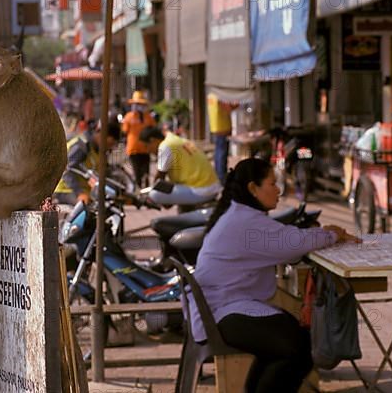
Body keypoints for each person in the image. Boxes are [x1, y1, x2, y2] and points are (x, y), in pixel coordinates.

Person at [190, 158, 360, 393]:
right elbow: (291, 242)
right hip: (221, 311)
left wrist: (322, 234)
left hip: (223, 305)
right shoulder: (245, 221)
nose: (279, 190)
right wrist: (331, 235)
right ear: (253, 188)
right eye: (272, 183)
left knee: (293, 341)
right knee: (296, 347)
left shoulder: (242, 215)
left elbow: (286, 241)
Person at [138, 126, 222, 206]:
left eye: (147, 146)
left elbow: (159, 178)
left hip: (200, 190)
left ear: (153, 140)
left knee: (155, 194)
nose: (148, 151)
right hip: (211, 186)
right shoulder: (175, 140)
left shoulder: (165, 146)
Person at [53, 122, 121, 205]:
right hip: (65, 190)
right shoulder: (82, 146)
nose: (109, 147)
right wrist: (79, 193)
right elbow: (67, 170)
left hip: (84, 191)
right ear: (101, 134)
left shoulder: (98, 151)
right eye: (109, 144)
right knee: (88, 206)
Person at [121, 91, 156, 188]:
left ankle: (147, 191)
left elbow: (153, 130)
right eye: (136, 104)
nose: (138, 106)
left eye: (140, 104)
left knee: (146, 173)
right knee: (137, 174)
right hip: (133, 149)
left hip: (146, 149)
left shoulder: (148, 117)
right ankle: (138, 191)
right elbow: (124, 131)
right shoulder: (128, 117)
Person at [207, 92, 238, 184]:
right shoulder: (220, 96)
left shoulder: (211, 95)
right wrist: (237, 104)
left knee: (218, 152)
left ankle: (218, 175)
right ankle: (221, 177)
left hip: (216, 126)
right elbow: (228, 108)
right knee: (222, 153)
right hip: (223, 127)